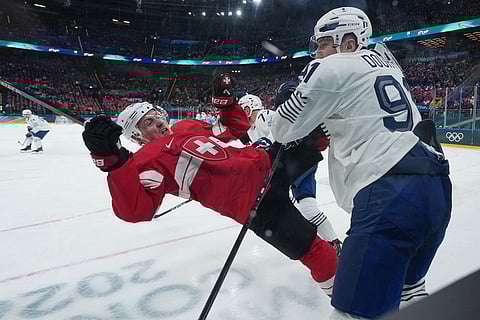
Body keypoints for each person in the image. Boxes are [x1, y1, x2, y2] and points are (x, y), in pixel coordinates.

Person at [81, 73, 337, 296]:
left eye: (156, 115)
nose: (158, 121)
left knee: (319, 130)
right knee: (312, 251)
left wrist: (226, 103)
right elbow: (136, 210)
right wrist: (114, 162)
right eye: (147, 122)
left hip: (268, 165)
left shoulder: (186, 126)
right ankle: (344, 296)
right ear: (137, 136)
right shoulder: (143, 163)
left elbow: (234, 127)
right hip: (255, 204)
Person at [270, 7, 452, 320]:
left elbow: (283, 128)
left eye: (324, 43)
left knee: (352, 312)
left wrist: (292, 97)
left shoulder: (330, 68)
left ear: (350, 41)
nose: (318, 51)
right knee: (410, 294)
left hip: (391, 194)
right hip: (435, 185)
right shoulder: (387, 60)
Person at [237, 91, 341, 247]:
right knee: (307, 208)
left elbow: (279, 132)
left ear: (249, 108)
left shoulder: (264, 116)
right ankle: (333, 244)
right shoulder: (251, 130)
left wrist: (265, 143)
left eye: (242, 110)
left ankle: (331, 244)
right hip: (295, 163)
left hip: (299, 160)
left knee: (298, 205)